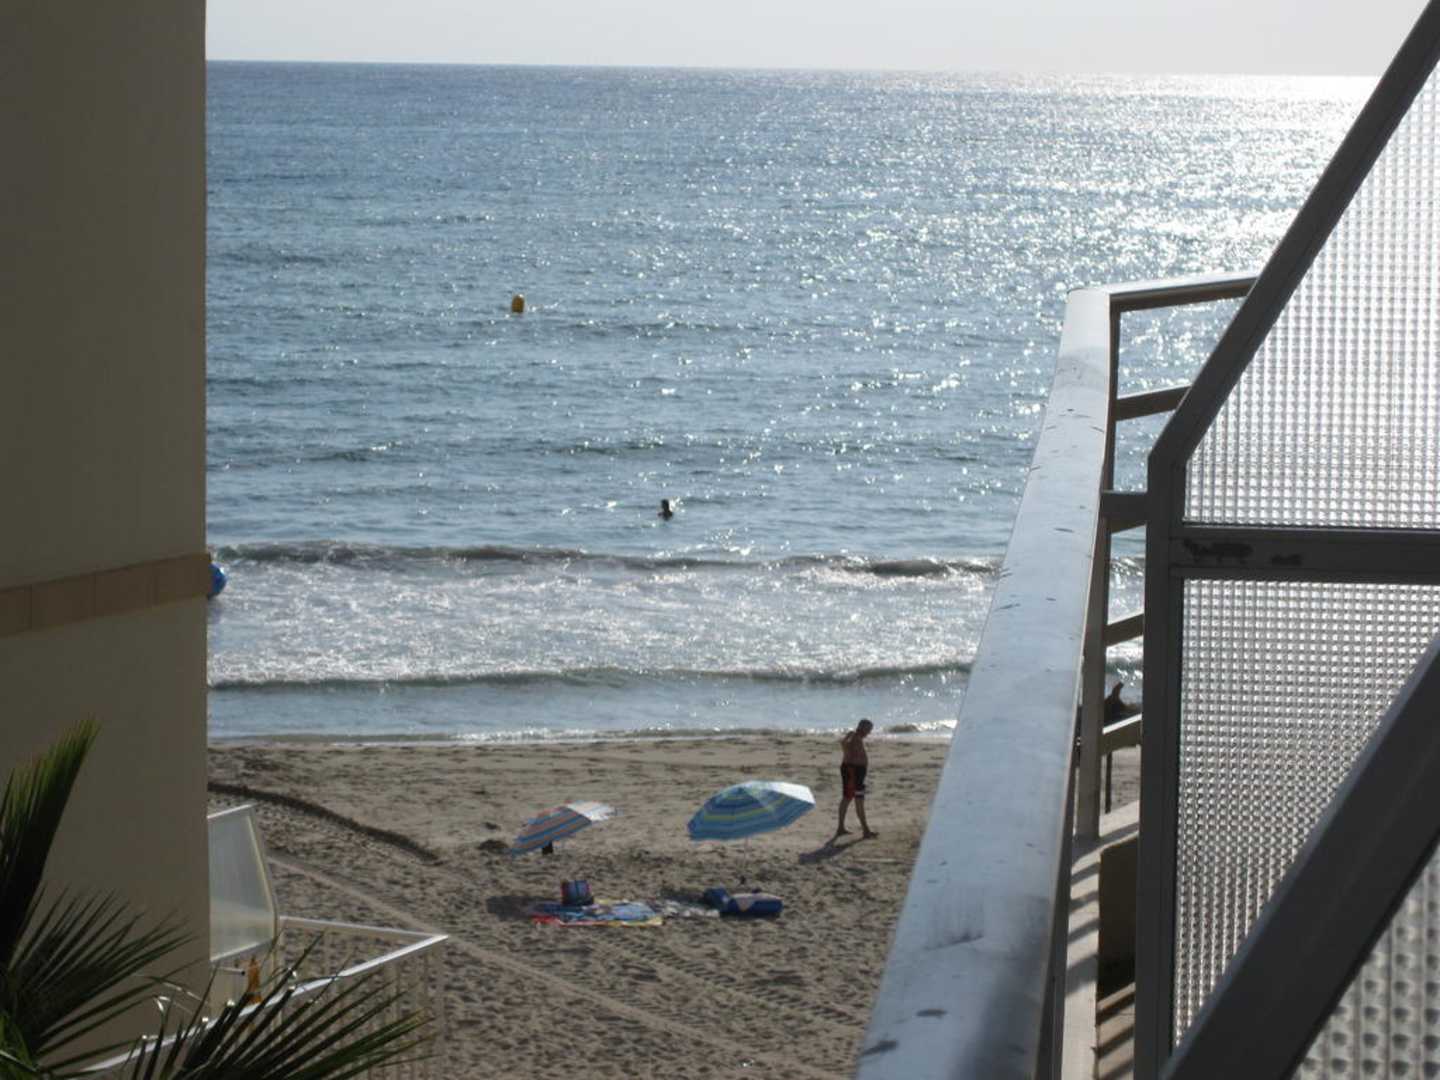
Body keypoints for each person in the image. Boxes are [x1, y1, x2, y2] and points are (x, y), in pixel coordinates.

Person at [834, 718, 877, 840]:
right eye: (868, 729)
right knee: (853, 799)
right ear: (862, 728)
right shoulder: (854, 737)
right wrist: (846, 742)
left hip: (856, 772)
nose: (869, 732)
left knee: (853, 798)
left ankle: (844, 828)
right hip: (852, 771)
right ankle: (864, 830)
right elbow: (844, 746)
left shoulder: (857, 737)